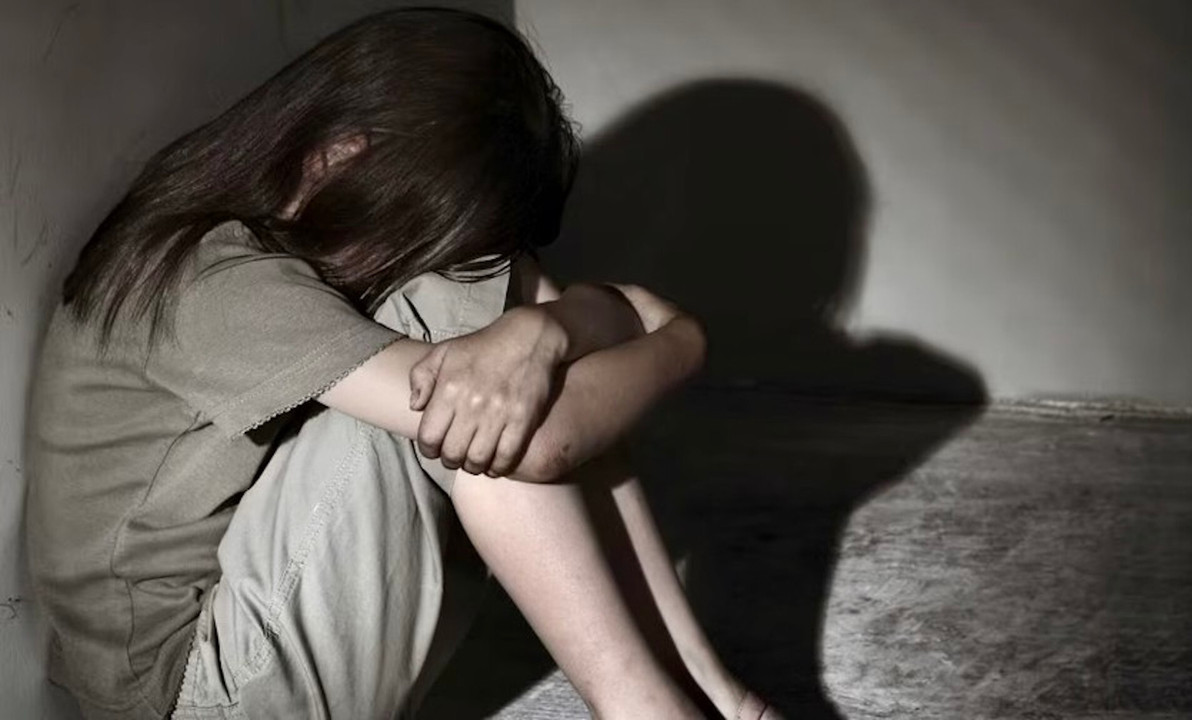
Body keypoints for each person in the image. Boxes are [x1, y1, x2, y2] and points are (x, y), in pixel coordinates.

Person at [25, 8, 781, 720]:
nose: (410, 256)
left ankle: (705, 688)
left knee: (483, 338)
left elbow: (550, 336)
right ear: (340, 155)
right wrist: (680, 342)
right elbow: (540, 441)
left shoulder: (237, 218)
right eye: (413, 229)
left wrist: (548, 328)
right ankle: (646, 708)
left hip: (233, 637)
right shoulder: (212, 283)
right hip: (196, 697)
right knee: (462, 367)